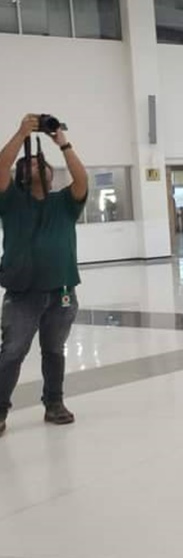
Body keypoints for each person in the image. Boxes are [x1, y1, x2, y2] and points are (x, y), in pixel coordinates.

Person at [0, 113, 89, 438]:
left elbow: (81, 179)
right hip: (22, 293)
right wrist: (20, 132)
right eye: (31, 163)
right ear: (21, 176)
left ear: (51, 175)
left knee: (54, 350)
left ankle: (54, 404)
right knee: (12, 351)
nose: (37, 165)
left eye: (41, 162)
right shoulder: (11, 202)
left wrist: (62, 142)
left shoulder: (63, 203)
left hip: (62, 291)